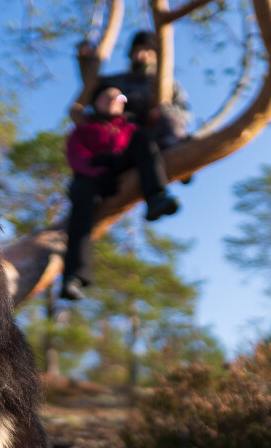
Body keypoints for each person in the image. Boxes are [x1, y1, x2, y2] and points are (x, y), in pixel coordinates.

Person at [60, 82, 181, 301]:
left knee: (145, 138)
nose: (114, 101)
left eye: (120, 98)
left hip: (122, 164)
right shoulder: (84, 129)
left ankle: (156, 197)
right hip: (92, 174)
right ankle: (73, 277)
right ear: (96, 103)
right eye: (108, 97)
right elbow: (76, 156)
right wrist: (96, 172)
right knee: (81, 205)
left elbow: (146, 150)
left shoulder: (131, 128)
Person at [71, 31, 192, 151]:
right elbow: (94, 88)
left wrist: (163, 112)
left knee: (169, 120)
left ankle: (175, 149)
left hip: (159, 138)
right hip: (123, 138)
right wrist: (86, 60)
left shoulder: (169, 84)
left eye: (147, 51)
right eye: (137, 51)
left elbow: (185, 112)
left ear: (156, 56)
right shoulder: (118, 81)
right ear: (130, 55)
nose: (141, 55)